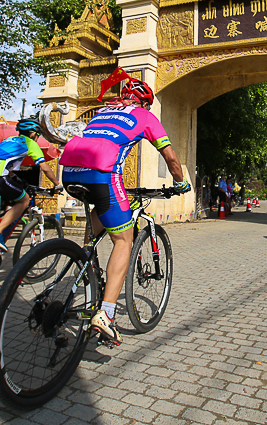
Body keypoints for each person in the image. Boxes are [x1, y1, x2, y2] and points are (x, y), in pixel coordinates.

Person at [59, 76, 190, 346]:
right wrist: (181, 183)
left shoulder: (101, 113)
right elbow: (171, 156)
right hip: (102, 175)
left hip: (69, 173)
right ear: (144, 102)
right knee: (123, 240)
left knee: (102, 213)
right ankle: (106, 315)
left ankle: (85, 261)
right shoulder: (144, 116)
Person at [0, 118, 61, 251]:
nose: (37, 137)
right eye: (37, 134)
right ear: (32, 133)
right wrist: (57, 184)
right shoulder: (30, 143)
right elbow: (45, 168)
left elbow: (8, 169)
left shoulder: (8, 140)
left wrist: (19, 181)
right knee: (24, 201)